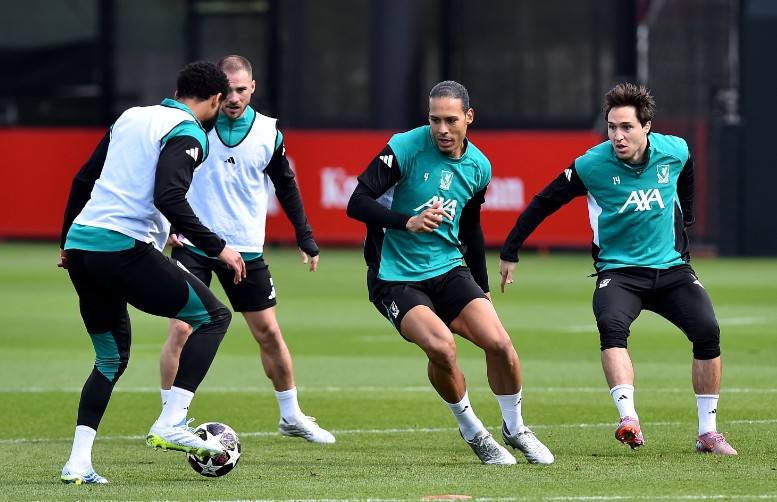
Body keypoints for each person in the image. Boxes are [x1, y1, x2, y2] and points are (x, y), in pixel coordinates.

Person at [498, 82, 737, 455]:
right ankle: (628, 419)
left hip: (672, 269)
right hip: (620, 272)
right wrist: (510, 250)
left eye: (626, 127)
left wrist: (686, 212)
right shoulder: (592, 164)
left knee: (708, 331)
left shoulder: (674, 150)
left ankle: (708, 433)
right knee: (611, 326)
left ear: (646, 127)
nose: (617, 136)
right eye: (612, 127)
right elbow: (543, 202)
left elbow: (687, 169)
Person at [58, 61, 248, 485]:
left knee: (109, 359)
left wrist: (66, 242)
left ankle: (78, 463)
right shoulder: (189, 131)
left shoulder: (130, 117)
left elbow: (83, 178)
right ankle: (171, 421)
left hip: (84, 244)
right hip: (122, 247)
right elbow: (168, 194)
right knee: (214, 317)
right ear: (215, 100)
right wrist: (219, 247)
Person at [346, 80, 554, 465]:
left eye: (451, 120)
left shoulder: (479, 165)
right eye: (434, 120)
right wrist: (405, 221)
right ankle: (474, 431)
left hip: (448, 268)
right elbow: (356, 203)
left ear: (468, 118)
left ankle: (515, 428)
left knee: (501, 345)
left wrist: (483, 286)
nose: (441, 129)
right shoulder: (405, 147)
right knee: (441, 346)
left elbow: (471, 227)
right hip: (394, 276)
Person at [159, 55, 334, 444]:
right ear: (217, 91)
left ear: (252, 88)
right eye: (229, 90)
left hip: (245, 250)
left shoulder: (269, 132)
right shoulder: (193, 126)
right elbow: (169, 180)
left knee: (269, 332)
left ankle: (291, 415)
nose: (234, 98)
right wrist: (169, 225)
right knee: (181, 328)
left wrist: (305, 235)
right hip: (195, 245)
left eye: (242, 89)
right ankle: (169, 420)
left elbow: (285, 186)